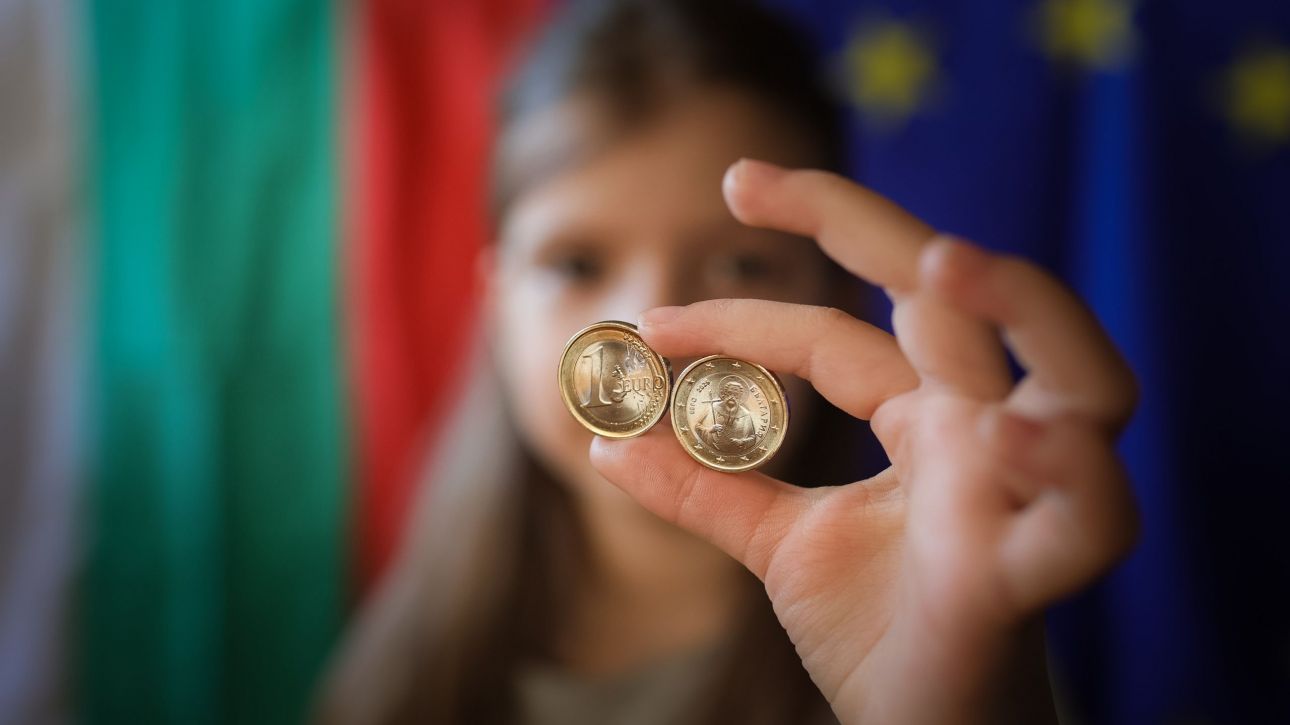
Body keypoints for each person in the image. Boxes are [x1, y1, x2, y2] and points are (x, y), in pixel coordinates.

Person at [319, 1, 1138, 723]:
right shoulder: (393, 665)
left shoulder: (947, 633)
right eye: (576, 264)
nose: (649, 328)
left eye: (742, 264)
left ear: (833, 300)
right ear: (496, 307)